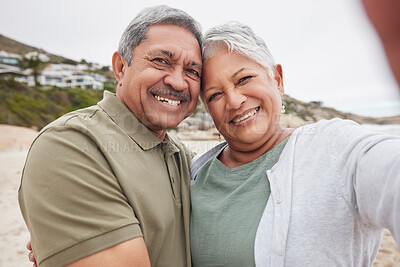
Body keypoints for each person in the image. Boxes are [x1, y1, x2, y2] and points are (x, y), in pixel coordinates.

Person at [189, 22, 400, 266]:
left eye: (244, 78)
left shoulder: (332, 148)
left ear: (277, 79)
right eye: (215, 95)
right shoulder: (196, 173)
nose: (234, 101)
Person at [18, 5, 202, 267]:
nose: (178, 82)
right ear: (120, 68)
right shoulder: (71, 145)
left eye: (192, 71)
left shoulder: (186, 159)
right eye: (161, 61)